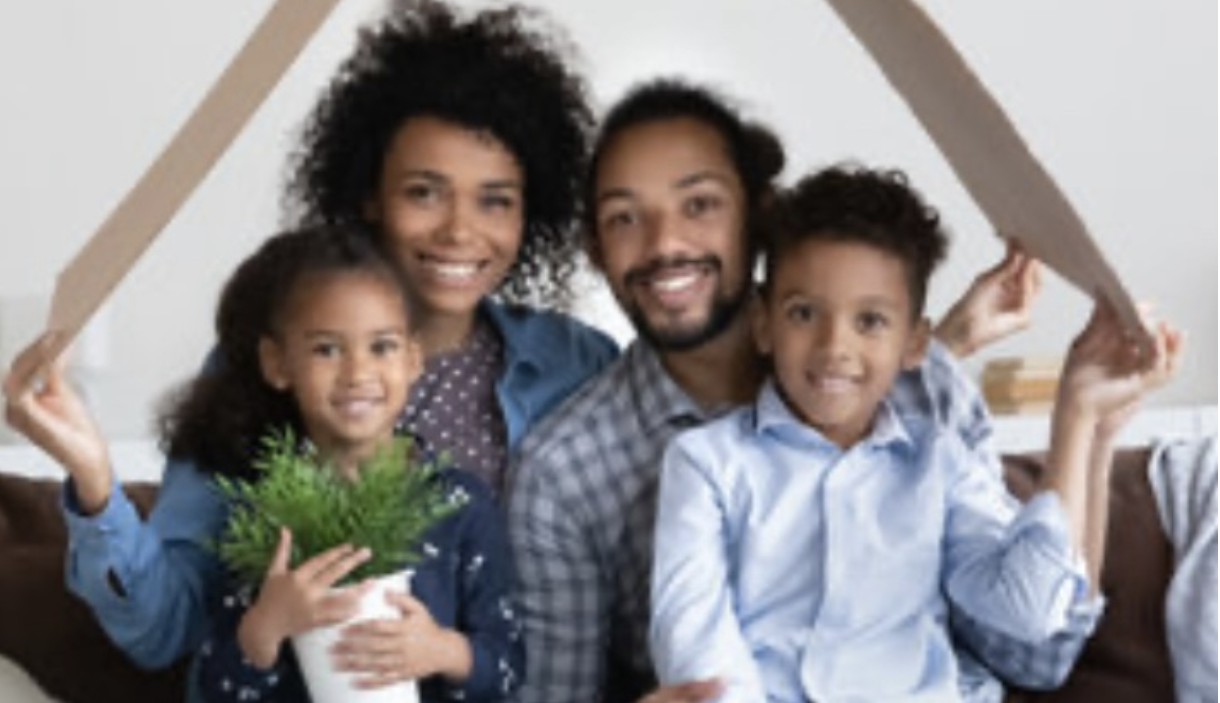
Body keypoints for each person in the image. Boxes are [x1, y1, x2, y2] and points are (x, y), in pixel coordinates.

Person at [2, 0, 613, 678]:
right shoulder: (262, 365)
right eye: (424, 192)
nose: (459, 231)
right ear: (369, 195)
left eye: (495, 199)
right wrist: (94, 483)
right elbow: (166, 629)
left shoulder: (576, 366)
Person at [504, 79, 1088, 703]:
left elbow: (1039, 648)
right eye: (625, 217)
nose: (665, 242)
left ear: (758, 215)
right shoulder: (569, 472)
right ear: (595, 247)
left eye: (698, 204)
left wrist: (1086, 421)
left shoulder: (928, 410)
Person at [647, 165, 1182, 701]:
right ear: (763, 323)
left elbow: (1030, 612)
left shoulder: (940, 461)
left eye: (871, 322)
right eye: (804, 313)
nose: (835, 346)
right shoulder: (704, 463)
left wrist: (1076, 417)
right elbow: (693, 644)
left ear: (914, 346)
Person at [183, 226, 522, 702]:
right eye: (327, 349)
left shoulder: (459, 505)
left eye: (381, 346)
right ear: (277, 363)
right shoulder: (262, 517)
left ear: (412, 358)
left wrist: (444, 651)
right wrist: (264, 628)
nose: (358, 373)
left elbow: (508, 667)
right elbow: (217, 689)